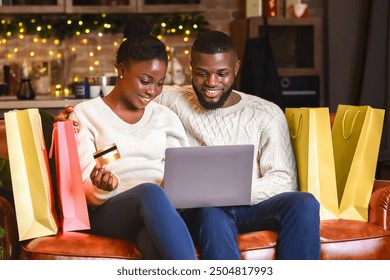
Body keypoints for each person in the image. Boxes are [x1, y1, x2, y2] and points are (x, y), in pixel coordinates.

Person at [58, 30, 321, 260]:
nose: (212, 84)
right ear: (190, 68)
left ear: (236, 69)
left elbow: (284, 181)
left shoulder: (264, 113)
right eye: (202, 74)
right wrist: (60, 123)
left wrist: (221, 191)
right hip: (164, 206)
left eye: (222, 74)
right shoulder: (165, 101)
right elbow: (126, 98)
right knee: (194, 207)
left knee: (304, 203)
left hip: (219, 205)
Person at [66, 16, 196, 260]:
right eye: (145, 81)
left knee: (149, 238)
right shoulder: (87, 115)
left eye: (159, 83)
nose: (152, 91)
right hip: (108, 211)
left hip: (160, 213)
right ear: (122, 70)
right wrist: (102, 188)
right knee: (150, 192)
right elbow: (86, 192)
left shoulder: (166, 118)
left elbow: (181, 174)